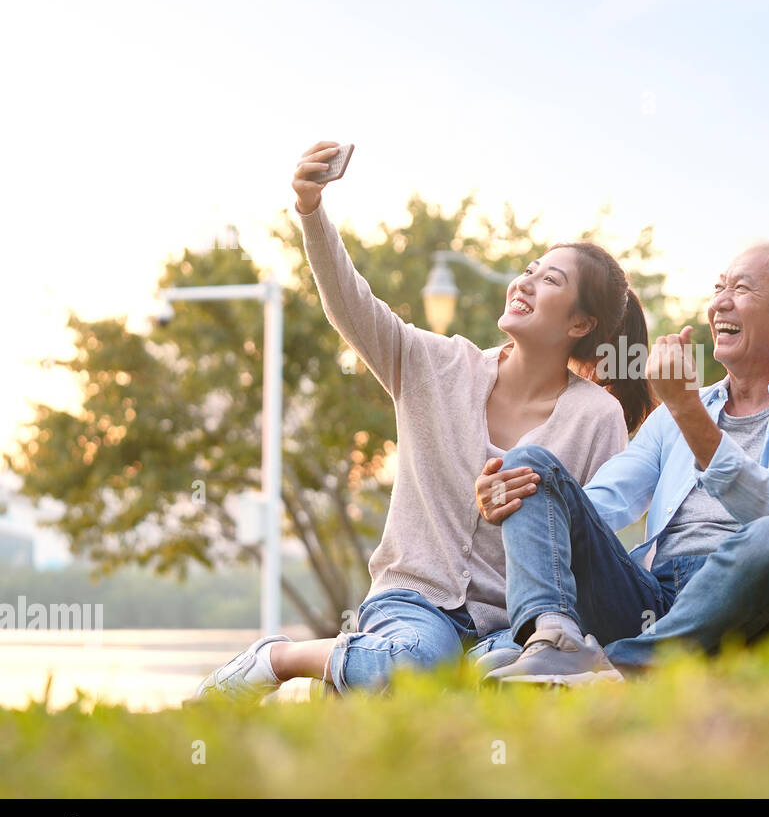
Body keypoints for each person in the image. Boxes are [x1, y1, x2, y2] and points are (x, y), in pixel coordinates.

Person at [193, 141, 653, 700]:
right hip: (414, 601)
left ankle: (364, 674)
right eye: (528, 271)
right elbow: (351, 304)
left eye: (550, 280)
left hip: (512, 622)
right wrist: (312, 212)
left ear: (581, 323)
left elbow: (588, 540)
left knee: (503, 678)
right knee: (414, 665)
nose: (524, 283)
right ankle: (282, 658)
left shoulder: (596, 416)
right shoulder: (436, 364)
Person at [475, 235, 769, 684]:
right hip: (654, 598)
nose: (720, 305)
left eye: (741, 289)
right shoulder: (673, 417)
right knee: (533, 464)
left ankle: (612, 664)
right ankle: (553, 640)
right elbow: (601, 502)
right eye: (719, 289)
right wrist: (532, 499)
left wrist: (687, 409)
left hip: (751, 605)